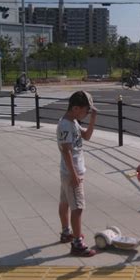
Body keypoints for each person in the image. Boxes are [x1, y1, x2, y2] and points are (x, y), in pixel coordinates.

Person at [56, 90, 98, 257]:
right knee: (78, 208)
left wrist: (93, 119)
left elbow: (86, 136)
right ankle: (77, 243)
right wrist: (74, 175)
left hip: (68, 171)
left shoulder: (72, 121)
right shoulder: (66, 124)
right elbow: (66, 151)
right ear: (75, 108)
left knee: (65, 202)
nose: (87, 114)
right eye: (86, 111)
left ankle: (67, 232)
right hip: (72, 172)